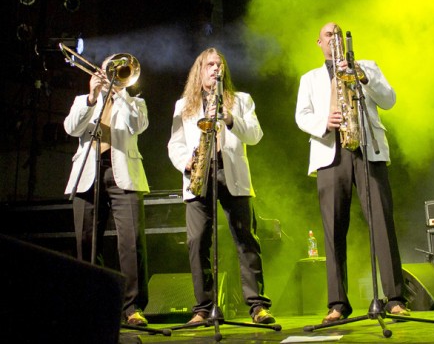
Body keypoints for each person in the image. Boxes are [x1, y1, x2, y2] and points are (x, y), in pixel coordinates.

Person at [295, 22, 409, 324]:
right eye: (327, 34)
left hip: (367, 149)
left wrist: (364, 77)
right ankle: (337, 303)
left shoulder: (366, 66)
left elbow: (389, 100)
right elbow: (301, 116)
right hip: (331, 152)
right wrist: (324, 121)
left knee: (382, 222)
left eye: (337, 33)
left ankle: (395, 298)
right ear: (319, 42)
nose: (333, 38)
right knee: (333, 229)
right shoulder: (310, 78)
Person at [167, 47, 275, 325]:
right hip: (199, 173)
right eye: (210, 65)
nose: (216, 69)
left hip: (231, 172)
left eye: (219, 65)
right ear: (199, 70)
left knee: (245, 238)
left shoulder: (240, 100)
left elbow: (255, 135)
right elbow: (175, 144)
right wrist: (185, 162)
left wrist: (229, 119)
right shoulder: (184, 105)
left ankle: (257, 306)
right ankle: (204, 307)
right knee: (197, 241)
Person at [64, 56, 149, 326]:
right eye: (109, 69)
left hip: (123, 174)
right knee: (87, 243)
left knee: (131, 242)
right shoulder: (83, 100)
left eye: (118, 70)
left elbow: (139, 124)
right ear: (100, 72)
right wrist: (92, 97)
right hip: (88, 175)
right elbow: (71, 128)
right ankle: (94, 305)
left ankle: (133, 307)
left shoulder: (134, 102)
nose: (114, 73)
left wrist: (120, 94)